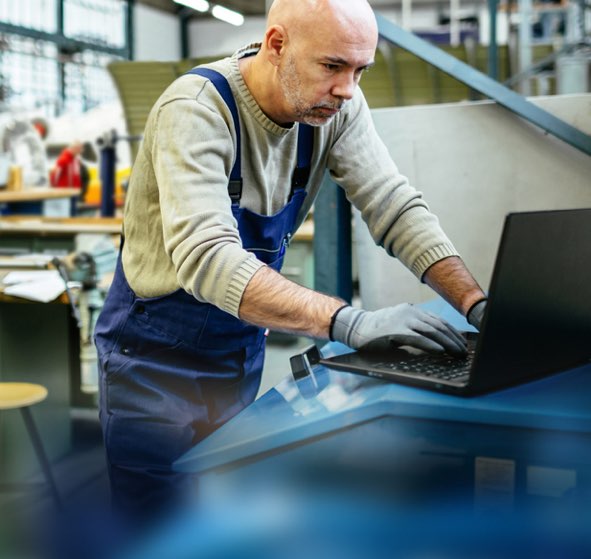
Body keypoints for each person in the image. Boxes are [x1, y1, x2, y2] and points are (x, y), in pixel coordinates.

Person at [94, 0, 487, 524]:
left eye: (359, 70)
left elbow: (392, 203)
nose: (348, 88)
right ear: (276, 44)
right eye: (332, 67)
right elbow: (208, 258)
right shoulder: (195, 109)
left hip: (236, 352)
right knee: (157, 528)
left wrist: (477, 303)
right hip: (153, 361)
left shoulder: (333, 107)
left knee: (222, 513)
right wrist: (351, 322)